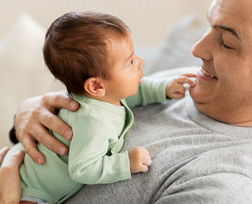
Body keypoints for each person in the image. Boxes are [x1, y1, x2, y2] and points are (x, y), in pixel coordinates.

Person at [9, 0, 252, 203]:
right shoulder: (193, 82)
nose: (197, 50)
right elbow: (99, 97)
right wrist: (34, 112)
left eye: (226, 42)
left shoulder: (226, 188)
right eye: (210, 27)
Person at [2, 11, 195, 204]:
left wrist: (164, 88)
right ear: (96, 86)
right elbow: (82, 169)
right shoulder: (92, 121)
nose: (141, 61)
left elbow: (138, 91)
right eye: (130, 62)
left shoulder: (105, 96)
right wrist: (125, 163)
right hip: (30, 187)